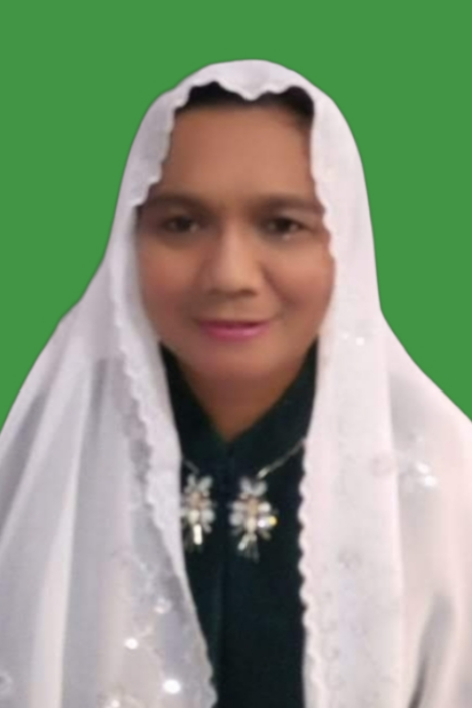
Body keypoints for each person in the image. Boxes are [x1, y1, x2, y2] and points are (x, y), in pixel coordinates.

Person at [0, 59, 471, 708]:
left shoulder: (441, 469)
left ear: (345, 243)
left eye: (282, 225)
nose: (229, 274)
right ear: (129, 242)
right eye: (182, 224)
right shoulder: (60, 447)